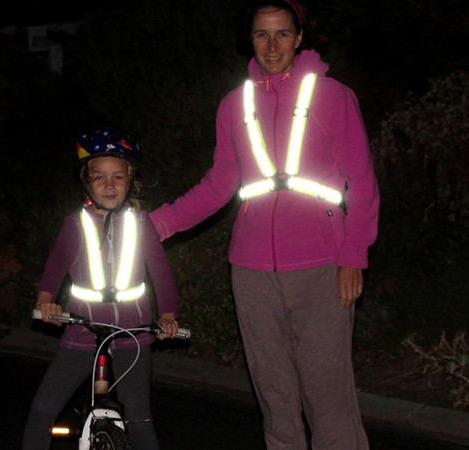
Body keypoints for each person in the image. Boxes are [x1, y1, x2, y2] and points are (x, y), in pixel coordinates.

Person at [149, 1, 379, 449]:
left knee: (327, 397)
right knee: (274, 398)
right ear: (249, 40)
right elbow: (219, 184)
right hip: (251, 270)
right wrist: (157, 224)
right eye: (261, 35)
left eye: (281, 34)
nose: (272, 45)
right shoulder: (235, 103)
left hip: (321, 266)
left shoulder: (334, 97)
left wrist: (354, 254)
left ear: (299, 38)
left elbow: (364, 184)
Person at [22, 126, 180, 450]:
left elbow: (161, 271)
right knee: (42, 409)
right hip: (83, 327)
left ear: (130, 179)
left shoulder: (141, 222)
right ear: (86, 181)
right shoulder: (75, 224)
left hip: (134, 330)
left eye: (118, 177)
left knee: (139, 420)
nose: (109, 185)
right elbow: (55, 267)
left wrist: (168, 315)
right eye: (99, 177)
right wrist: (45, 301)